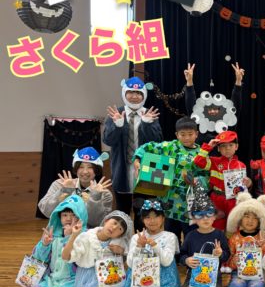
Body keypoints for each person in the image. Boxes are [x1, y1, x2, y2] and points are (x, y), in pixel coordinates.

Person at [134, 116, 211, 241]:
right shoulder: (169, 147)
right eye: (182, 134)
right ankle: (172, 254)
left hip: (189, 204)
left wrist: (196, 181)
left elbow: (207, 177)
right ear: (177, 135)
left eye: (190, 134)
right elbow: (147, 147)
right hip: (168, 203)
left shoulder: (201, 154)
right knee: (170, 236)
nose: (186, 138)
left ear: (196, 134)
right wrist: (137, 160)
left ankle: (187, 253)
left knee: (190, 236)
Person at [103, 77, 163, 228]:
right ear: (124, 93)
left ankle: (140, 241)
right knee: (122, 211)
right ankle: (122, 239)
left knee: (143, 211)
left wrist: (147, 125)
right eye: (130, 92)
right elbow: (108, 140)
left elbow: (157, 143)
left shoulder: (149, 114)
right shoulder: (116, 113)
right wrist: (117, 125)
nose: (134, 96)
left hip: (145, 170)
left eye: (138, 93)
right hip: (121, 169)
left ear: (144, 95)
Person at [23, 195, 88, 287]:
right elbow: (39, 259)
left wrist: (70, 237)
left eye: (73, 215)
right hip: (51, 279)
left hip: (72, 280)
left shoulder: (84, 236)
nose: (68, 218)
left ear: (80, 217)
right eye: (64, 215)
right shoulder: (53, 236)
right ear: (58, 217)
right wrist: (44, 244)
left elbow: (77, 259)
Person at [176, 184, 230, 287]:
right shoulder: (190, 236)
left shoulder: (219, 235)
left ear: (214, 217)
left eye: (209, 214)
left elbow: (227, 256)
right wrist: (186, 260)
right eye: (200, 215)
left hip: (214, 277)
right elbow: (181, 255)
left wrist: (220, 254)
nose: (205, 218)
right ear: (194, 218)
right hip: (192, 276)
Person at [38, 147, 112, 228]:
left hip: (87, 234)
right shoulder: (59, 184)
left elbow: (98, 222)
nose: (85, 171)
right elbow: (46, 212)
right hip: (59, 232)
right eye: (81, 167)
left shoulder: (104, 194)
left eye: (90, 167)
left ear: (97, 170)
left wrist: (95, 197)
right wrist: (65, 191)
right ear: (76, 169)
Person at [193, 130, 252, 232]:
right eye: (223, 146)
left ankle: (231, 242)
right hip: (216, 198)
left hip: (233, 200)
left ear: (236, 147)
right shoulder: (214, 161)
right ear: (219, 149)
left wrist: (249, 183)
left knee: (233, 226)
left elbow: (244, 186)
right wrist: (208, 146)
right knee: (216, 225)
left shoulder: (241, 165)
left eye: (230, 145)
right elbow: (198, 161)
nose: (227, 148)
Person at [183, 62, 245, 147]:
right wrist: (189, 81)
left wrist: (238, 81)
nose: (212, 111)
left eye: (216, 109)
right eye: (209, 109)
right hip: (201, 154)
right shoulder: (200, 123)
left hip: (223, 155)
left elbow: (235, 105)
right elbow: (191, 105)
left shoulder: (228, 123)